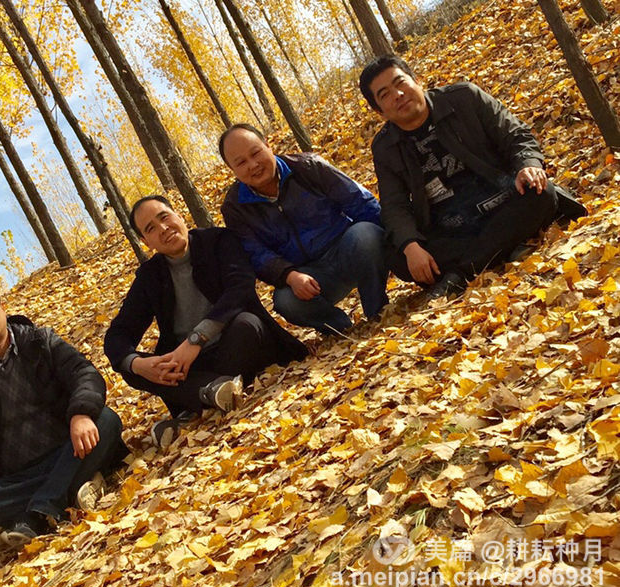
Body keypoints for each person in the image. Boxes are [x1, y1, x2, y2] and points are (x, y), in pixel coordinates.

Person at [0, 278, 127, 545]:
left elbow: (84, 373)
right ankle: (66, 491)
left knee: (106, 420)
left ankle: (38, 512)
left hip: (69, 450)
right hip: (11, 478)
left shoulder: (40, 341)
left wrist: (80, 414)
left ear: (1, 307)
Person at [104, 195, 307, 448]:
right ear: (146, 242)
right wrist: (137, 364)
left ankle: (200, 399)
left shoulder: (219, 241)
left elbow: (240, 290)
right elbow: (118, 334)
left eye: (164, 217)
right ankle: (213, 390)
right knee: (130, 366)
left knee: (247, 323)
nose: (163, 228)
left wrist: (196, 339)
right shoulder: (149, 276)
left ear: (178, 215)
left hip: (236, 343)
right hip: (189, 366)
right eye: (151, 229)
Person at [360, 55, 566, 299]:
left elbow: (516, 135)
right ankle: (506, 247)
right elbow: (394, 205)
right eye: (385, 94)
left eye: (400, 82)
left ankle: (461, 272)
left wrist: (527, 165)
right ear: (379, 111)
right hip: (451, 228)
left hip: (502, 199)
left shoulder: (464, 97)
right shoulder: (385, 147)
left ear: (417, 80)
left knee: (541, 192)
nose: (398, 95)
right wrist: (410, 245)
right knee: (397, 254)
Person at [219, 124, 388, 334]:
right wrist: (290, 275)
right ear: (232, 170)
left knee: (367, 235)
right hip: (309, 276)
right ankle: (343, 331)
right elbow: (256, 254)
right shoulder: (235, 208)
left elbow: (360, 201)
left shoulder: (308, 167)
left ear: (268, 145)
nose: (253, 165)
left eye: (256, 153)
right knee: (286, 300)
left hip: (347, 250)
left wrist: (404, 244)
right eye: (241, 162)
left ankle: (378, 313)